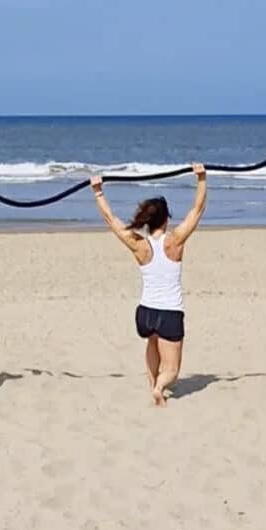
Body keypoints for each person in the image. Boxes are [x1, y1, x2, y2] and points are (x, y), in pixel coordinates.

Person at [90, 165, 207, 406]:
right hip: (169, 313)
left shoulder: (139, 245)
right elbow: (198, 209)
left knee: (152, 342)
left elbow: (111, 219)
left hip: (145, 314)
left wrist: (98, 192)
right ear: (165, 219)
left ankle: (153, 384)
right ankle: (160, 387)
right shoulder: (175, 241)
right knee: (172, 370)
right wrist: (202, 178)